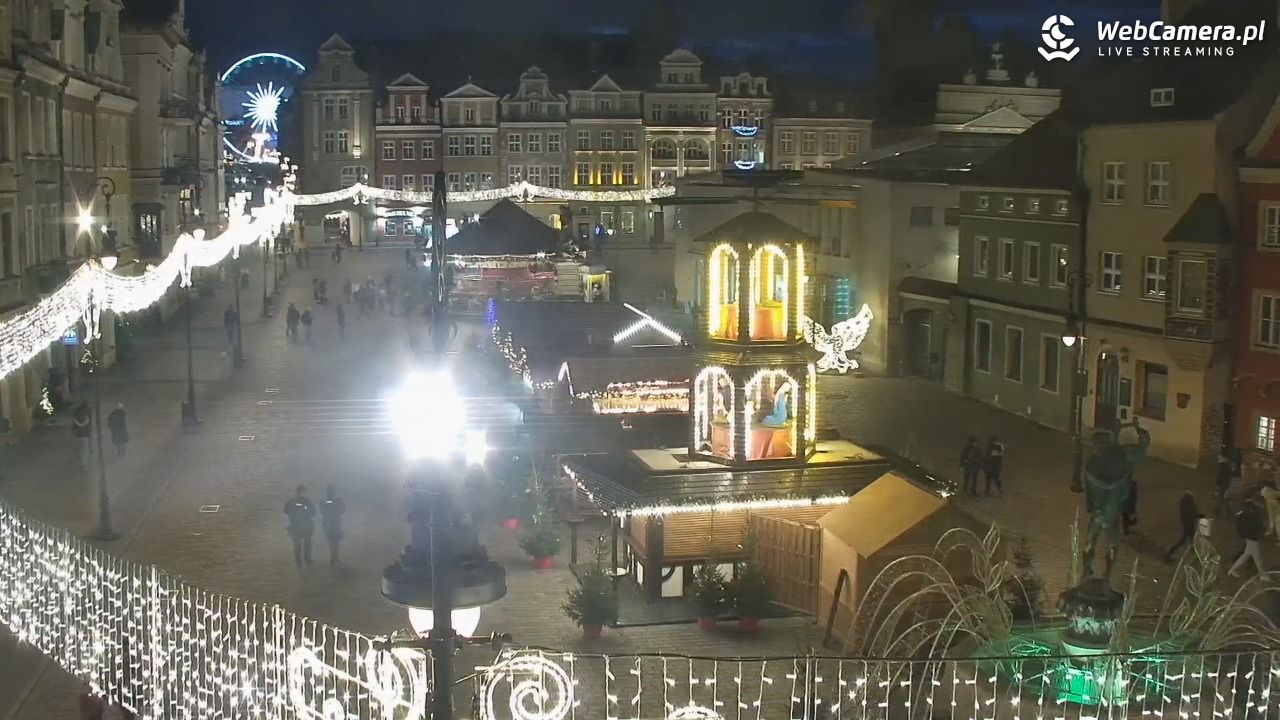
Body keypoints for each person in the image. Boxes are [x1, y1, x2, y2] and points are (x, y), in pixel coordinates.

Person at [1229, 490, 1269, 579]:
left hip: (1249, 537)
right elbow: (1258, 527)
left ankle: (1232, 570)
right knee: (1256, 557)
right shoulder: (1252, 516)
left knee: (1246, 556)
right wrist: (1263, 530)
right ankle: (1263, 575)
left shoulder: (1242, 515)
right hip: (1252, 538)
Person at [283, 485, 316, 569]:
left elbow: (286, 511)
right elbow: (313, 512)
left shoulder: (291, 501)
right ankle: (306, 559)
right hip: (304, 525)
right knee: (305, 543)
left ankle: (299, 561)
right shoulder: (306, 501)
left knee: (298, 544)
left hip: (296, 525)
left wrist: (293, 516)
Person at [1165, 491, 1202, 561]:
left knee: (1190, 542)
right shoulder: (1189, 506)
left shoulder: (1184, 505)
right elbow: (1193, 515)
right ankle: (1170, 553)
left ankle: (1170, 553)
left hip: (1187, 526)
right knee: (1188, 542)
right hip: (1189, 527)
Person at [320, 485, 345, 566]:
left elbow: (342, 510)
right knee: (334, 542)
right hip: (333, 523)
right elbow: (342, 510)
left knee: (333, 542)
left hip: (332, 523)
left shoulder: (325, 501)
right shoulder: (334, 501)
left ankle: (334, 556)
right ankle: (334, 556)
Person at [1215, 451, 1239, 516]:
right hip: (1227, 484)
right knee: (1225, 497)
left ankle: (1219, 509)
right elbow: (1230, 476)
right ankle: (1226, 510)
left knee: (1221, 497)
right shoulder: (1228, 467)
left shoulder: (1222, 467)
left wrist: (1217, 483)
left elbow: (1219, 476)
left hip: (1223, 484)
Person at [72, 402, 92, 468]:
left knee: (78, 450)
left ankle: (79, 462)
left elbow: (73, 428)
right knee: (85, 450)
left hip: (78, 436)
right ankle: (83, 463)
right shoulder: (87, 418)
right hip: (85, 436)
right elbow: (89, 427)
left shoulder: (76, 418)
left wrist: (73, 432)